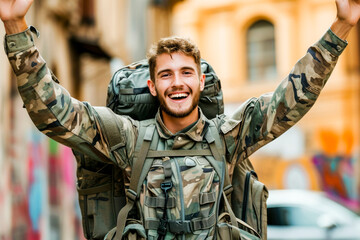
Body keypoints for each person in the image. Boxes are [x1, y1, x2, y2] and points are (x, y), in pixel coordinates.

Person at [1, 0, 360, 239]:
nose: (178, 83)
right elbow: (56, 112)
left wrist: (342, 27)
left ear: (201, 82)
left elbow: (292, 97)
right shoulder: (127, 138)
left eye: (187, 73)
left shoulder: (229, 136)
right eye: (167, 75)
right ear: (153, 86)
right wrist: (16, 27)